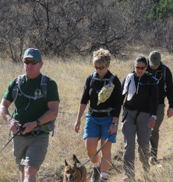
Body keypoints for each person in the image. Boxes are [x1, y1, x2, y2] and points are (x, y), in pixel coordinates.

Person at [0, 48, 60, 182]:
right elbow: (3, 106)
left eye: (33, 62)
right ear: (23, 63)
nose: (29, 65)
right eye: (27, 61)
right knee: (23, 175)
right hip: (18, 136)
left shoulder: (49, 84)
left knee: (30, 172)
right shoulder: (15, 83)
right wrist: (10, 121)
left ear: (41, 64)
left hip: (39, 135)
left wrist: (34, 124)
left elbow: (53, 111)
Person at [74, 48, 122, 182]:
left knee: (105, 149)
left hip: (109, 118)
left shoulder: (114, 80)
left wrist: (114, 123)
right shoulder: (91, 78)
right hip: (93, 118)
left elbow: (119, 104)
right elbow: (84, 100)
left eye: (101, 67)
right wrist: (78, 119)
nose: (98, 70)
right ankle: (96, 167)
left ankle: (104, 177)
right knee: (90, 147)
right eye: (96, 67)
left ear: (108, 65)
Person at [121, 56, 159, 181]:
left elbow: (154, 101)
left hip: (145, 115)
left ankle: (145, 167)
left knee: (143, 145)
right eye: (137, 67)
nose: (139, 70)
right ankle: (129, 175)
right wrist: (115, 117)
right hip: (129, 114)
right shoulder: (128, 78)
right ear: (134, 66)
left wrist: (153, 117)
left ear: (146, 67)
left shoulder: (152, 81)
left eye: (142, 68)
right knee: (129, 145)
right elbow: (120, 98)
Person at [147, 51, 173, 165]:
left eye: (156, 63)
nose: (154, 65)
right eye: (152, 63)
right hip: (143, 104)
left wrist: (171, 106)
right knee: (143, 129)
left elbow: (170, 89)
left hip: (159, 104)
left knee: (154, 129)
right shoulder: (142, 67)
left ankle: (153, 156)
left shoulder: (165, 70)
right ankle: (144, 154)